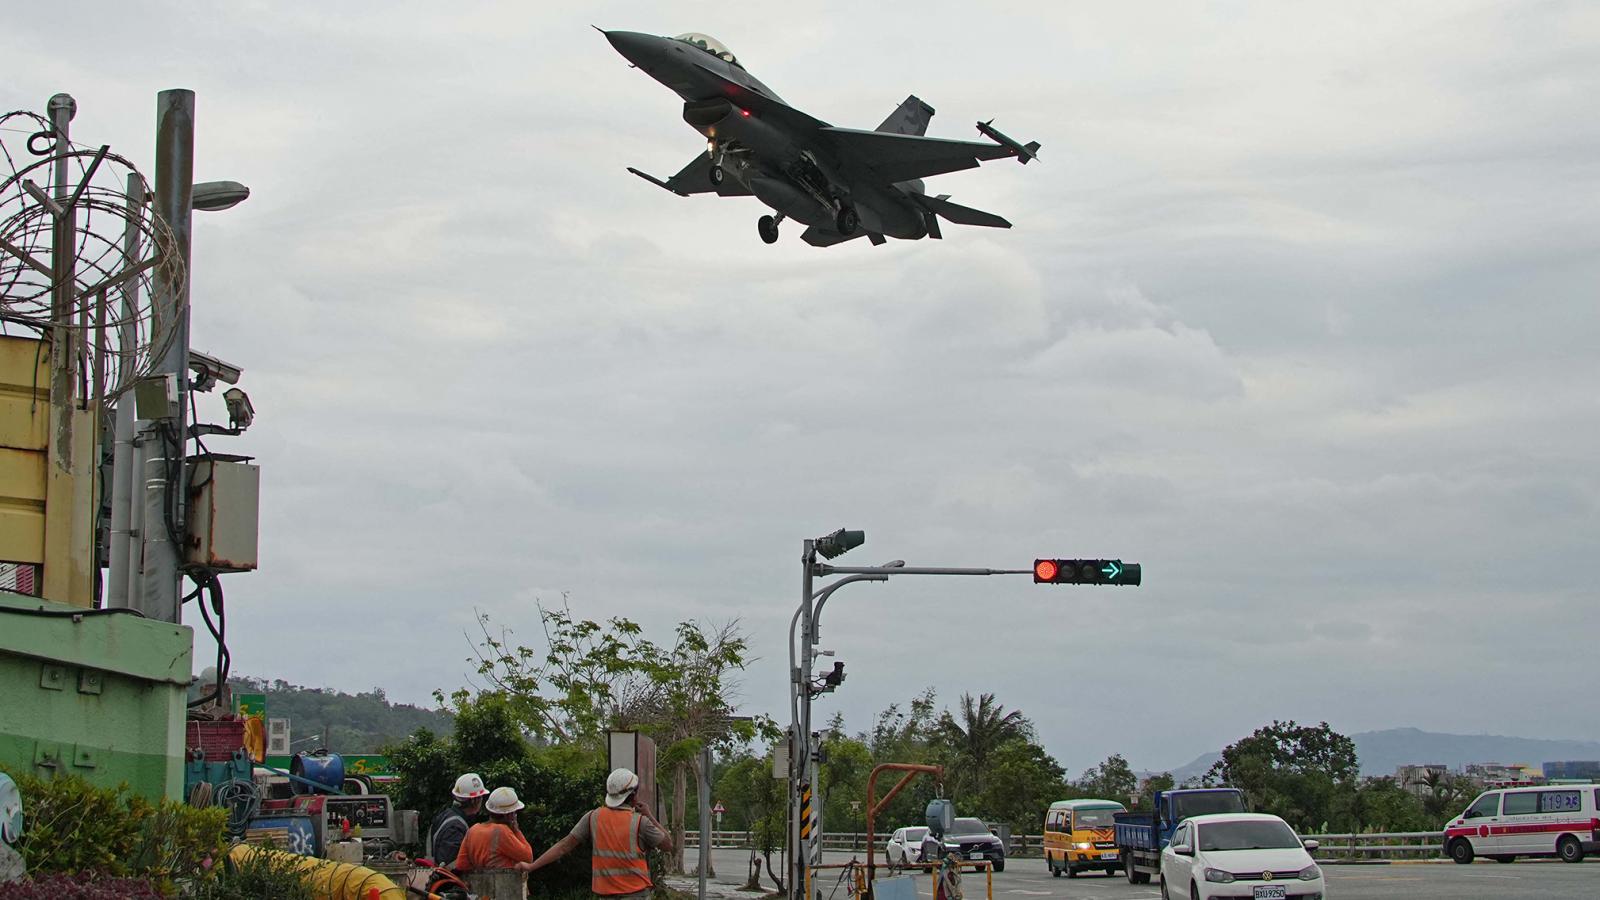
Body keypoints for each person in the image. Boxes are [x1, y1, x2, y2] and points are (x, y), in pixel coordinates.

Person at [519, 767, 671, 899]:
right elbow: (668, 845)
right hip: (635, 894)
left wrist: (531, 866)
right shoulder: (640, 822)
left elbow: (563, 846)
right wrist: (649, 815)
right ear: (634, 795)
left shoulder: (593, 817)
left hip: (604, 894)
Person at [453, 786, 535, 872]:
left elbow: (461, 865)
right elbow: (528, 858)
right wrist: (516, 830)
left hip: (477, 883)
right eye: (514, 812)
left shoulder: (473, 830)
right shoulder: (502, 831)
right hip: (505, 883)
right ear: (509, 815)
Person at [428, 773, 488, 868]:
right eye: (481, 797)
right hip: (449, 881)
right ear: (475, 800)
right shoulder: (455, 826)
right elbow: (451, 865)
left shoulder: (446, 816)